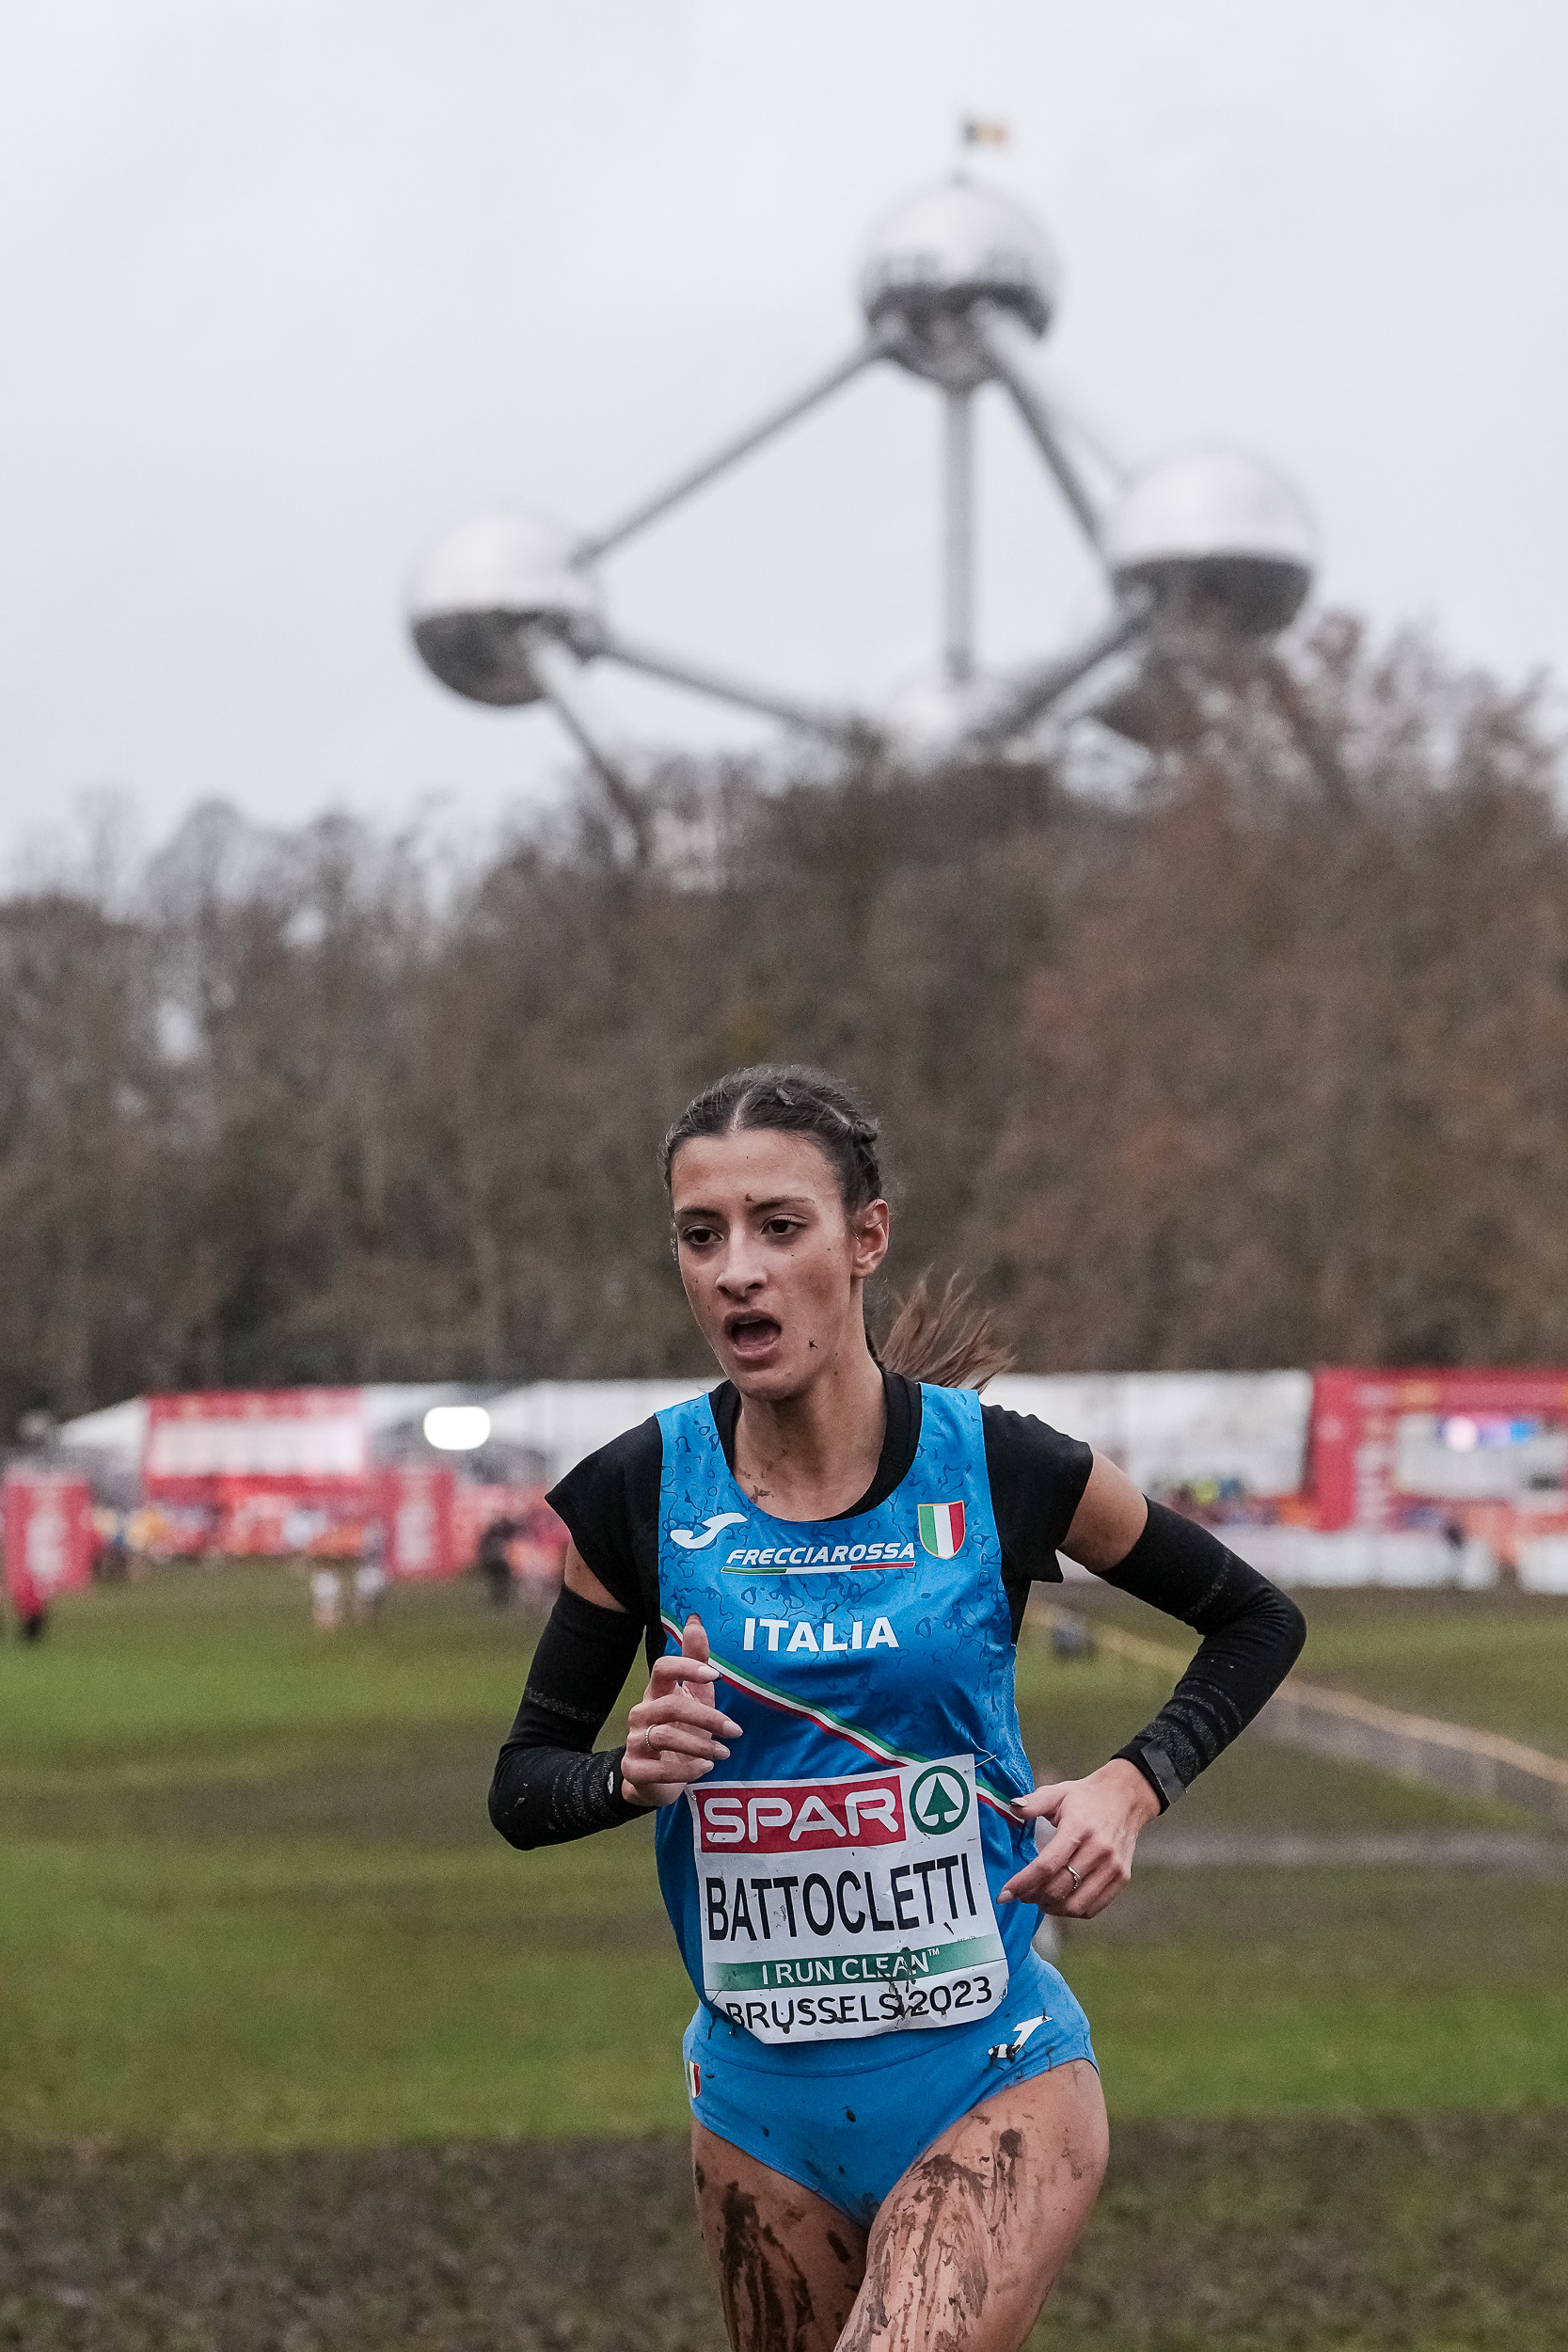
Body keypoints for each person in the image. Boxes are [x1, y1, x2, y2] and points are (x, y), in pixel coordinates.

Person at [489, 1066, 1306, 2352]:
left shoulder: (999, 1466)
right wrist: (626, 1775)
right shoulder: (639, 1493)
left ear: (866, 1238)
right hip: (756, 2110)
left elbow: (1256, 1619)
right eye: (701, 1236)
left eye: (779, 1227)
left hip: (989, 2076)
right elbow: (522, 1783)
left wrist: (1130, 1785)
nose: (737, 1271)